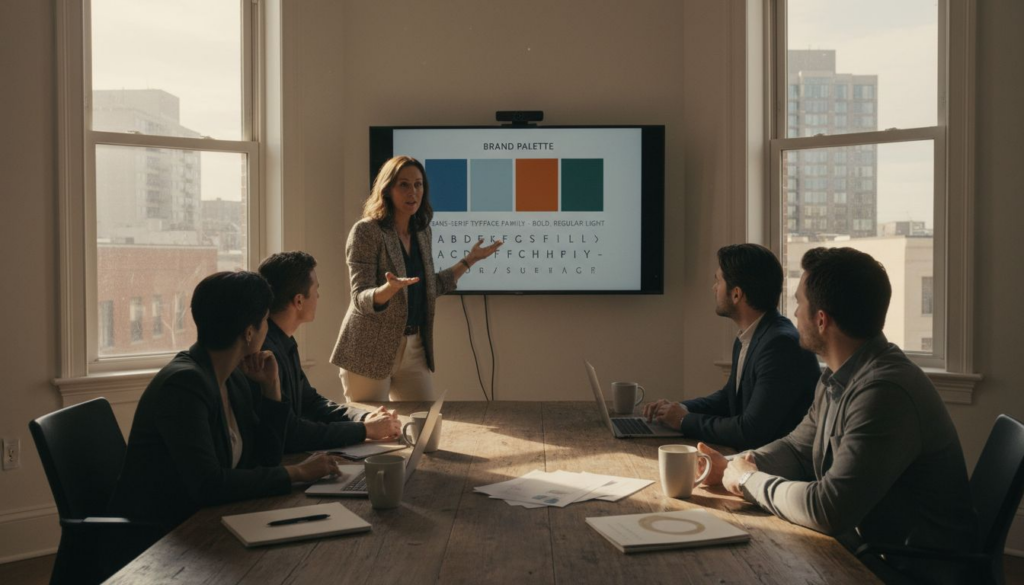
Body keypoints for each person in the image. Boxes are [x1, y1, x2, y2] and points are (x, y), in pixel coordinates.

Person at [700, 247, 976, 581]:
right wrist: (733, 465)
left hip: (903, 570)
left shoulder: (884, 392)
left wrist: (747, 480)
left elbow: (828, 509)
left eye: (800, 302)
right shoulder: (838, 375)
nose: (794, 312)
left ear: (821, 319)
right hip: (867, 549)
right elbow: (797, 449)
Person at [108, 272, 344, 543]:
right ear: (249, 332)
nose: (267, 329)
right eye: (265, 320)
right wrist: (300, 471)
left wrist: (271, 388)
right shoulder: (183, 385)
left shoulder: (233, 378)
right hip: (162, 537)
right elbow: (209, 485)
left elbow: (266, 458)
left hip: (210, 522)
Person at [330, 155, 502, 401]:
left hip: (415, 346)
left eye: (418, 184)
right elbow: (360, 298)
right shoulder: (366, 231)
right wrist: (389, 289)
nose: (413, 192)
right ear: (387, 189)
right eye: (404, 184)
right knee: (372, 432)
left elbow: (429, 287)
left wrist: (469, 261)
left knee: (425, 430)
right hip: (370, 348)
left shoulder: (421, 231)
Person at [642, 244, 820, 450]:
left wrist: (683, 421)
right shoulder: (752, 336)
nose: (714, 288)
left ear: (736, 294)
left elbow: (751, 431)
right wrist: (677, 409)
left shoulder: (780, 345)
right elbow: (729, 398)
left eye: (718, 281)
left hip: (777, 470)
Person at [258, 251, 401, 451]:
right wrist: (364, 430)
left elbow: (312, 403)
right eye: (316, 289)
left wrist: (364, 417)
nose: (318, 295)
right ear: (299, 301)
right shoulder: (265, 353)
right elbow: (293, 432)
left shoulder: (283, 341)